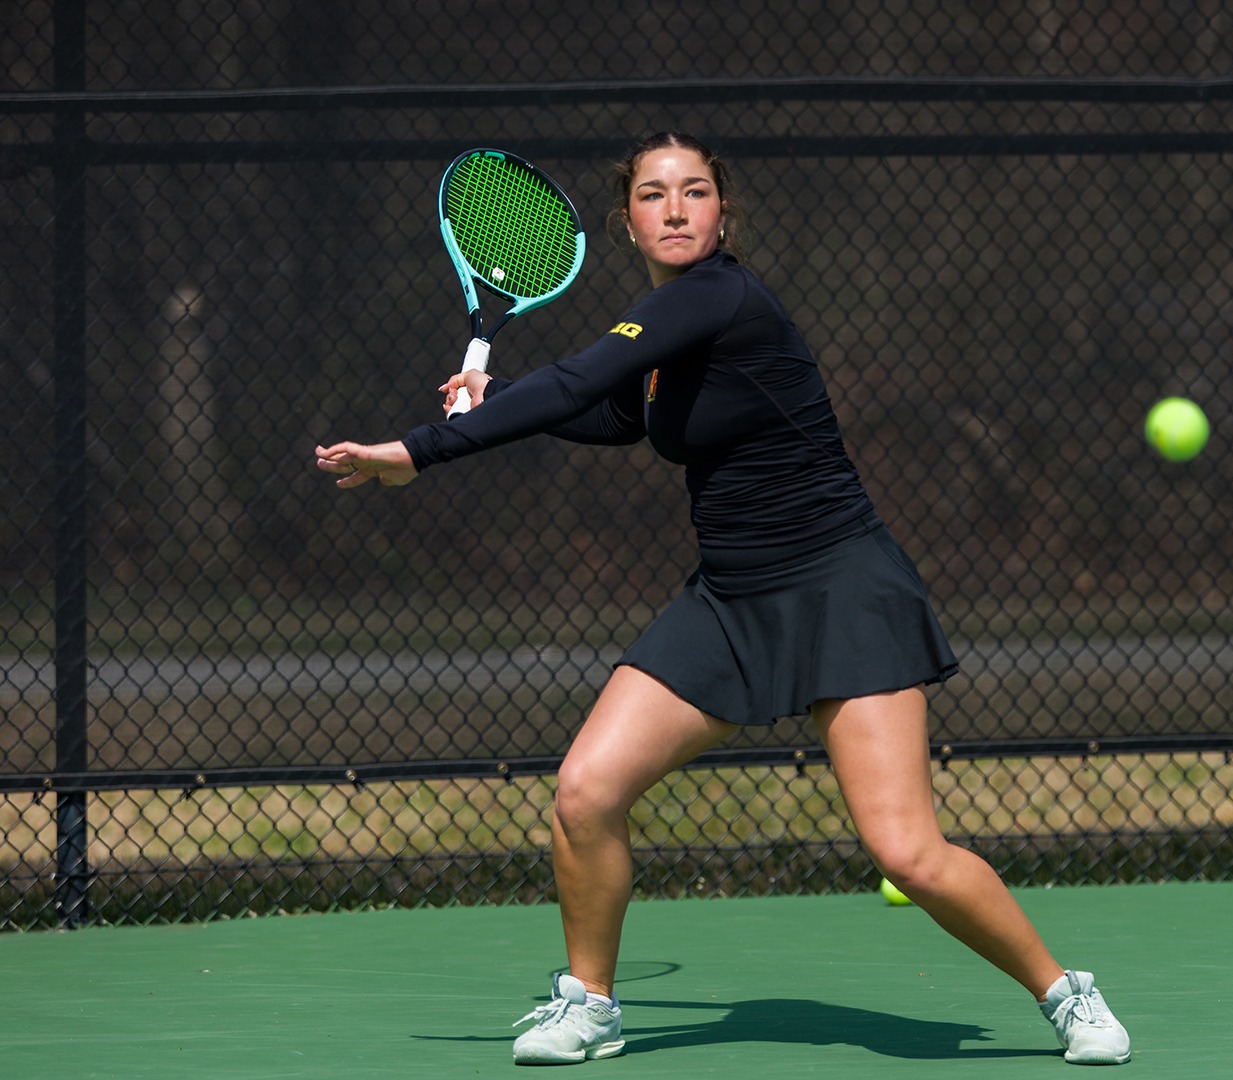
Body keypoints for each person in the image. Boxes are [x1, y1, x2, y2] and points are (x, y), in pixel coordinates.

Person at [314, 132, 1131, 1068]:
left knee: (906, 853)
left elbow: (580, 379)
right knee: (586, 793)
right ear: (626, 222)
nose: (674, 209)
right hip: (730, 599)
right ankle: (590, 1002)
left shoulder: (722, 296)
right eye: (654, 195)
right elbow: (615, 413)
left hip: (839, 588)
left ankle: (1065, 993)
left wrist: (418, 450)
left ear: (722, 215)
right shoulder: (667, 333)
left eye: (694, 192)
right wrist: (493, 393)